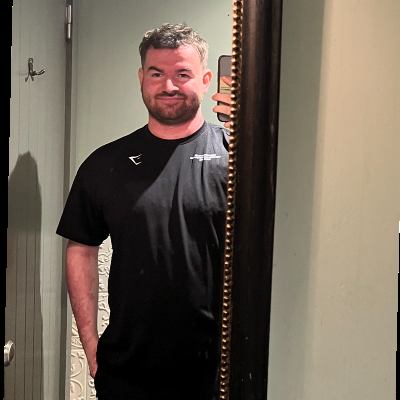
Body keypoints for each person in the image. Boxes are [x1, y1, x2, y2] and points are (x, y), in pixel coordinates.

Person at [56, 23, 232, 400]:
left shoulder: (237, 156)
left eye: (182, 74)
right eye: (156, 74)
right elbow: (81, 248)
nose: (169, 85)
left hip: (220, 372)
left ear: (206, 80)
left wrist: (256, 131)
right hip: (127, 372)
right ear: (141, 78)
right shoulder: (105, 163)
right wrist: (92, 347)